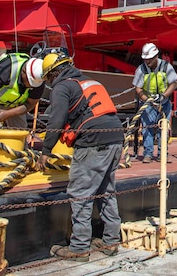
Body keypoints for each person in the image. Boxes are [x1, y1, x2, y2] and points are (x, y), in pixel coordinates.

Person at [37, 52, 124, 261]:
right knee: (106, 192)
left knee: (80, 194)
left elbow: (56, 121)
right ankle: (111, 241)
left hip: (92, 142)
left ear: (52, 74)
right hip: (115, 136)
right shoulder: (90, 81)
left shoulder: (61, 87)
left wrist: (45, 151)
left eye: (48, 78)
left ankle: (79, 248)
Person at [132, 43, 177, 163]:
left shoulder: (166, 67)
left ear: (156, 56)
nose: (147, 62)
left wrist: (163, 96)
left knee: (163, 129)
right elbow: (138, 88)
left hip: (164, 103)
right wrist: (146, 99)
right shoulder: (141, 69)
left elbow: (173, 83)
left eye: (149, 59)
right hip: (148, 104)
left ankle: (162, 154)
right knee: (147, 128)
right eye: (145, 59)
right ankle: (148, 154)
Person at [0, 52, 45, 130]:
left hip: (16, 105)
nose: (31, 85)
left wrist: (9, 113)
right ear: (24, 71)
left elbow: (30, 104)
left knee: (19, 134)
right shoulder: (6, 70)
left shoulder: (38, 80)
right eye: (29, 81)